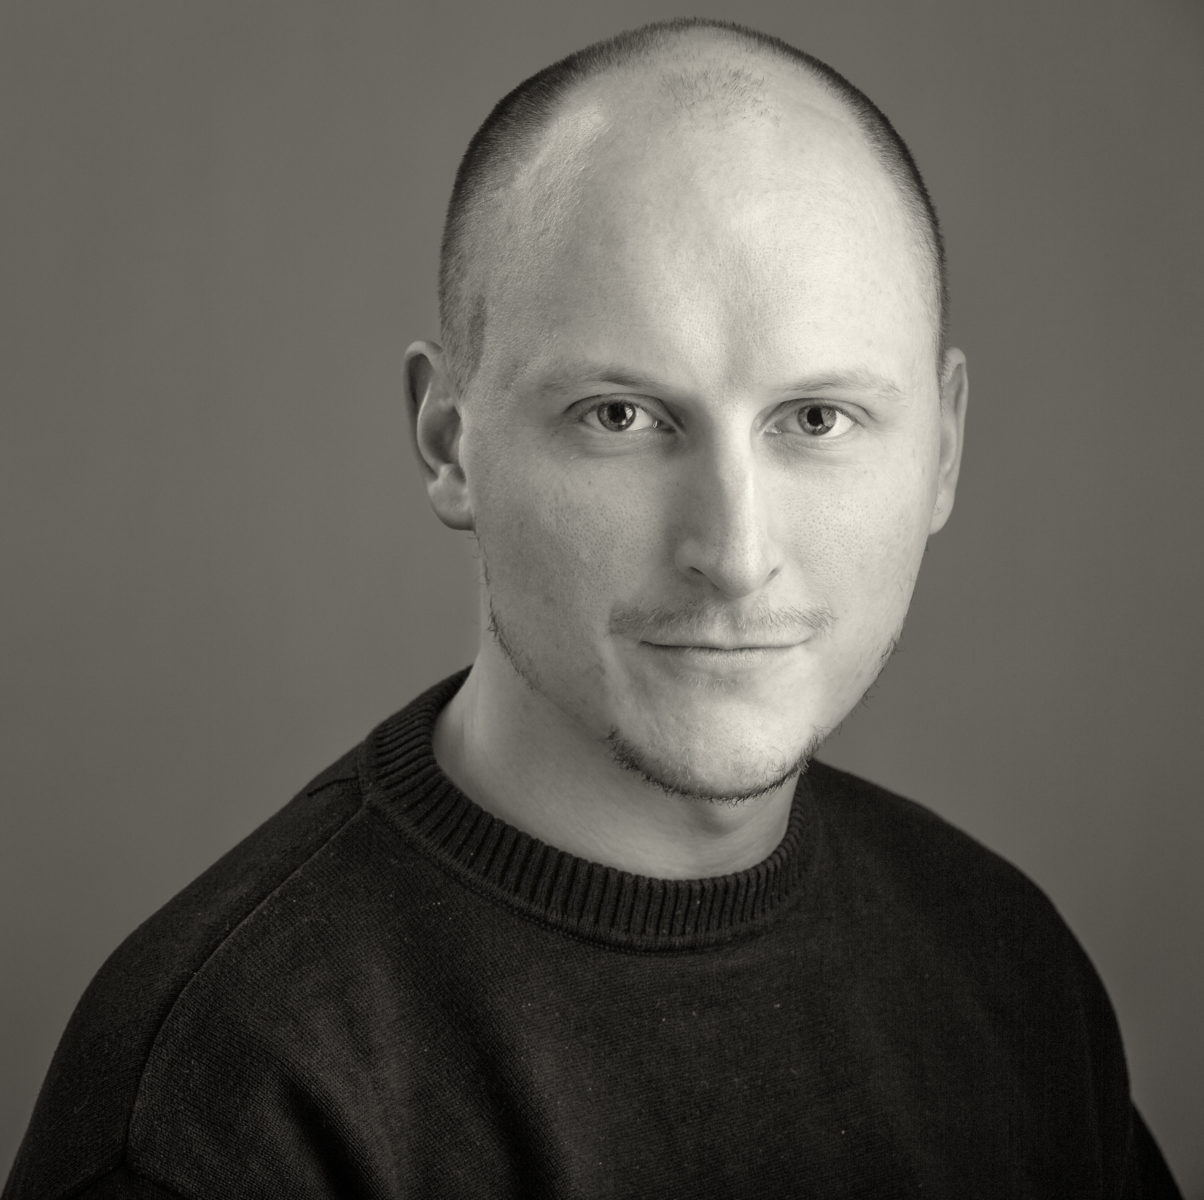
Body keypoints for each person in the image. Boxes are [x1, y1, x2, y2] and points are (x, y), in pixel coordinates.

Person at [3, 17, 1182, 1199]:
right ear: (448, 442)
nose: (734, 556)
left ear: (943, 449)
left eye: (816, 420)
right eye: (620, 416)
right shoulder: (230, 1105)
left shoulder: (1004, 961)